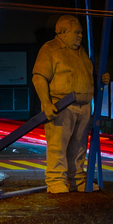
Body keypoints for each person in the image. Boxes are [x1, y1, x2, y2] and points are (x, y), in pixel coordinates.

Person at [31, 15, 95, 193]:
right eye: (77, 32)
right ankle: (56, 180)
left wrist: (100, 80)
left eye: (81, 32)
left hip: (84, 105)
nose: (80, 35)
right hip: (63, 105)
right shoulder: (50, 49)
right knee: (58, 145)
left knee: (79, 146)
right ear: (64, 33)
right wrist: (46, 102)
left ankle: (76, 179)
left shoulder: (81, 52)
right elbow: (39, 76)